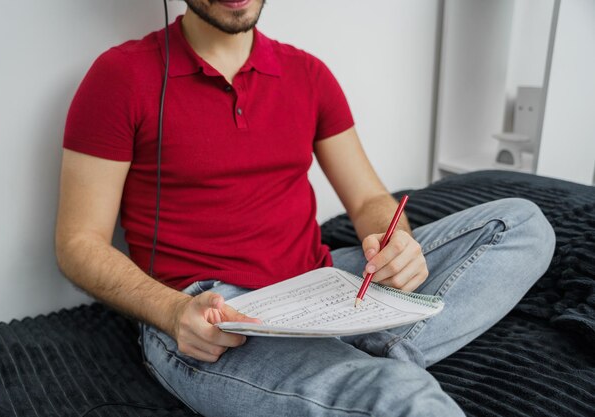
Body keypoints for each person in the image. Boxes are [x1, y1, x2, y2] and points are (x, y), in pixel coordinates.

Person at [55, 1, 555, 416]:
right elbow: (78, 243)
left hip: (318, 286)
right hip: (211, 314)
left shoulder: (308, 73)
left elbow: (368, 200)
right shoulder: (121, 76)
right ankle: (373, 363)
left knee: (521, 223)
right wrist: (170, 312)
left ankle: (364, 347)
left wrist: (394, 238)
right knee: (401, 398)